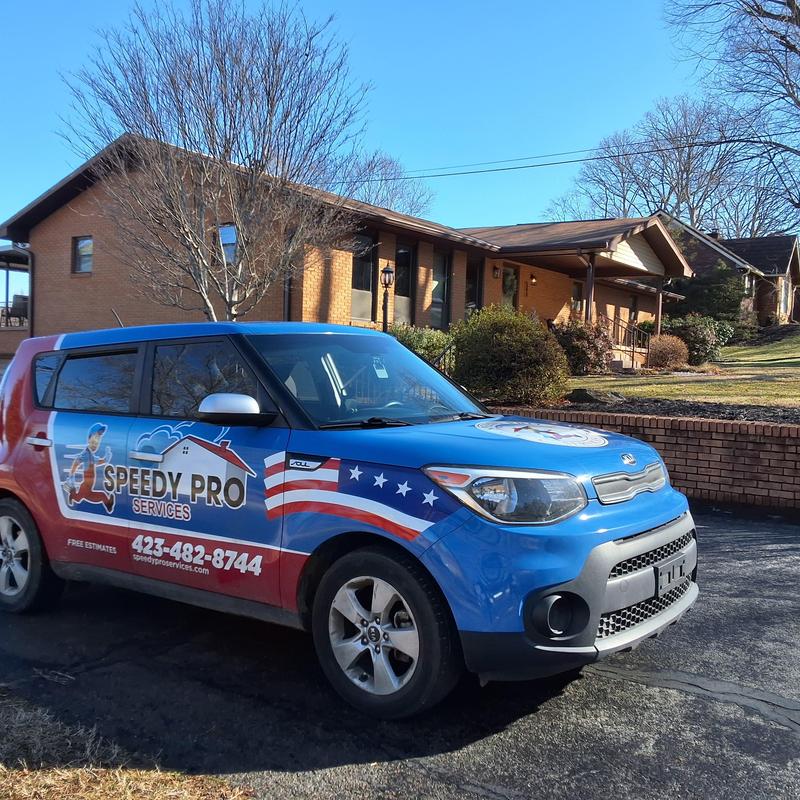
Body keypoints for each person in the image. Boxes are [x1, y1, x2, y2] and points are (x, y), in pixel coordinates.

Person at [63, 423, 115, 513]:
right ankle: (107, 503)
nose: (96, 442)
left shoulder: (91, 455)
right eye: (94, 438)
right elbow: (76, 462)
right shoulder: (86, 453)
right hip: (86, 485)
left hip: (88, 486)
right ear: (89, 438)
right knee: (99, 495)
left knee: (84, 496)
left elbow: (99, 461)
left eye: (98, 439)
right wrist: (71, 476)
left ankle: (73, 496)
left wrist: (106, 458)